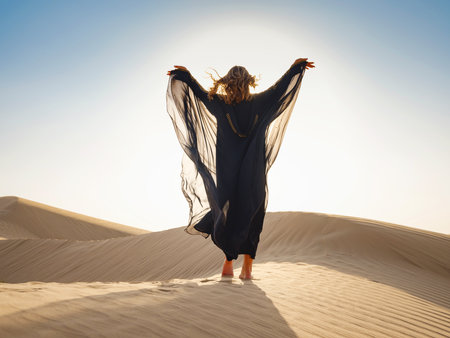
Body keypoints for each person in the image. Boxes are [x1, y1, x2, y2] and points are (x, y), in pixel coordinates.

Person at [166, 58, 315, 280]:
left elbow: (197, 92)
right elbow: (281, 88)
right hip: (253, 170)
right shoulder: (262, 101)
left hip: (226, 169)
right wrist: (296, 67)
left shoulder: (218, 103)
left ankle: (227, 265)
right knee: (253, 212)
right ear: (248, 83)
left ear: (227, 83)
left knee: (229, 212)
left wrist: (185, 75)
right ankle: (246, 271)